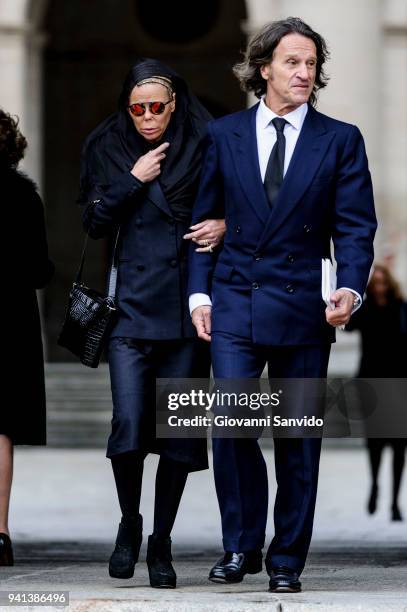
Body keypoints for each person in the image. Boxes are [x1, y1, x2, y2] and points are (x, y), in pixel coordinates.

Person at [188, 17, 377, 593]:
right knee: (234, 430)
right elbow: (202, 221)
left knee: (297, 438)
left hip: (304, 309)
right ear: (263, 67)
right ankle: (240, 543)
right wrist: (199, 291)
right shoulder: (224, 135)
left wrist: (351, 287)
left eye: (311, 64)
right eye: (292, 62)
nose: (304, 73)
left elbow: (354, 226)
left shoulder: (340, 139)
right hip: (235, 303)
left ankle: (288, 556)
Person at [79, 59, 225, 588]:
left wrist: (226, 223)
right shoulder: (108, 146)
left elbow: (240, 203)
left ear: (174, 105)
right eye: (136, 107)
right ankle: (129, 522)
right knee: (130, 424)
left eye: (156, 107)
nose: (146, 116)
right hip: (130, 314)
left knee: (179, 436)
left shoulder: (206, 144)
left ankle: (161, 539)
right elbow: (94, 223)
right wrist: (132, 181)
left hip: (188, 310)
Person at [0, 109, 54, 566]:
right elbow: (39, 271)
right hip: (7, 322)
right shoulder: (23, 196)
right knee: (0, 429)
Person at [346, 264, 406, 521]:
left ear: (389, 284)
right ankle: (374, 486)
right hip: (370, 383)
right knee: (375, 442)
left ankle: (394, 501)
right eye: (375, 283)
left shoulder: (402, 309)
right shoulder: (367, 309)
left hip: (399, 384)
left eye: (383, 283)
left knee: (399, 445)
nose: (380, 287)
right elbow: (347, 326)